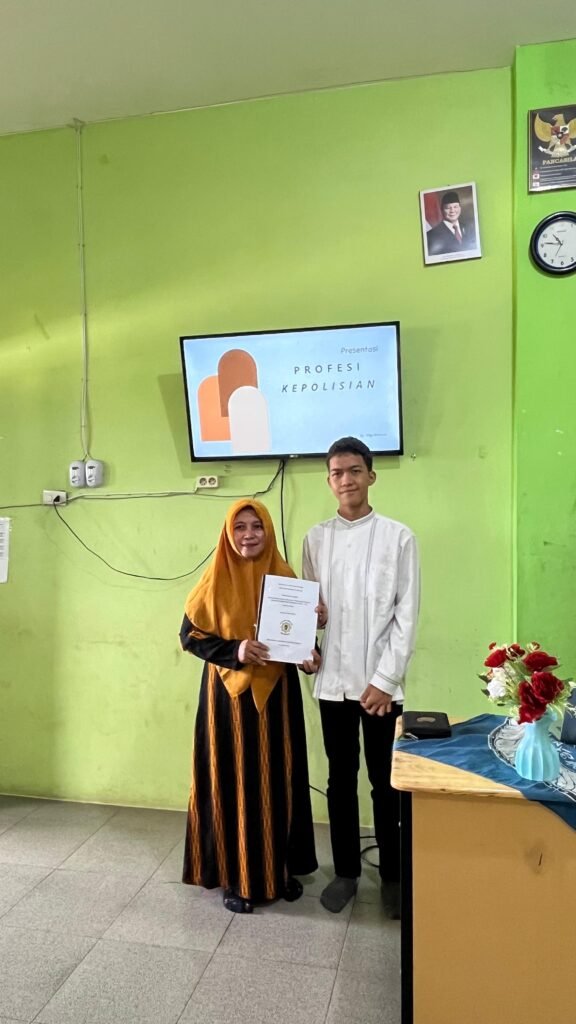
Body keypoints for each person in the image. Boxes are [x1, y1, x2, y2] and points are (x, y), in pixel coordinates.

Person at [180, 498, 318, 913]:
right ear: (228, 533)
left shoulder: (286, 578)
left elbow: (298, 638)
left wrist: (311, 654)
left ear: (268, 531)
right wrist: (236, 650)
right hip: (228, 700)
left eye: (256, 526)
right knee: (232, 781)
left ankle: (280, 870)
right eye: (239, 527)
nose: (248, 535)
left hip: (277, 696)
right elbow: (190, 637)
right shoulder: (213, 580)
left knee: (280, 779)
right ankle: (234, 876)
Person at [302, 437, 420, 918]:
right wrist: (307, 648)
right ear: (329, 481)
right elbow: (309, 611)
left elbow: (406, 615)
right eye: (337, 473)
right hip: (332, 682)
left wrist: (385, 681)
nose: (346, 480)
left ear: (371, 475)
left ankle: (392, 874)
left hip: (379, 687)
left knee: (385, 782)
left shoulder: (398, 537)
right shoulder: (315, 538)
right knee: (339, 779)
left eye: (354, 470)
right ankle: (346, 871)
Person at [425, 190, 475, 256]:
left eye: (455, 207)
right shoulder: (431, 235)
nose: (452, 211)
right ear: (442, 210)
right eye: (448, 208)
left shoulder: (469, 228)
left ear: (460, 208)